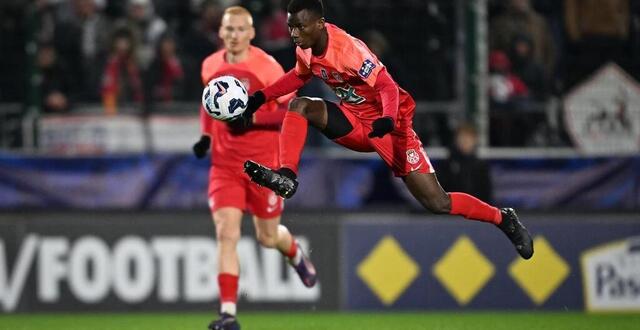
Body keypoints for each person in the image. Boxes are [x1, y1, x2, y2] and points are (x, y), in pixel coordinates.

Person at [239, 0, 534, 262]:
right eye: (291, 27)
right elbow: (299, 76)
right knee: (301, 106)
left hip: (390, 128)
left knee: (437, 202)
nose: (293, 34)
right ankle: (287, 176)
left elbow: (386, 86)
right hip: (355, 122)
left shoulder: (349, 50)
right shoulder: (305, 47)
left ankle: (502, 218)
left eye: (299, 27)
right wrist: (259, 98)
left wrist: (389, 120)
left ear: (319, 24)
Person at [191, 6, 316, 330]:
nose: (233, 35)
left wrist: (253, 118)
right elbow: (210, 106)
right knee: (226, 234)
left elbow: (292, 112)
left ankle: (295, 254)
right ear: (220, 32)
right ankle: (228, 315)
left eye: (239, 30)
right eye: (228, 29)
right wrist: (206, 136)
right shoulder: (210, 65)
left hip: (263, 167)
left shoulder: (267, 67)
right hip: (225, 165)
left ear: (250, 33)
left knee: (267, 237)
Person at [439, 123, 493, 204]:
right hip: (451, 211)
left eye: (468, 138)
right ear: (456, 140)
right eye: (462, 137)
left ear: (475, 140)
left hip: (475, 211)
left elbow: (486, 193)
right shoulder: (446, 164)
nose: (465, 141)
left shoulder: (481, 166)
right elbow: (441, 192)